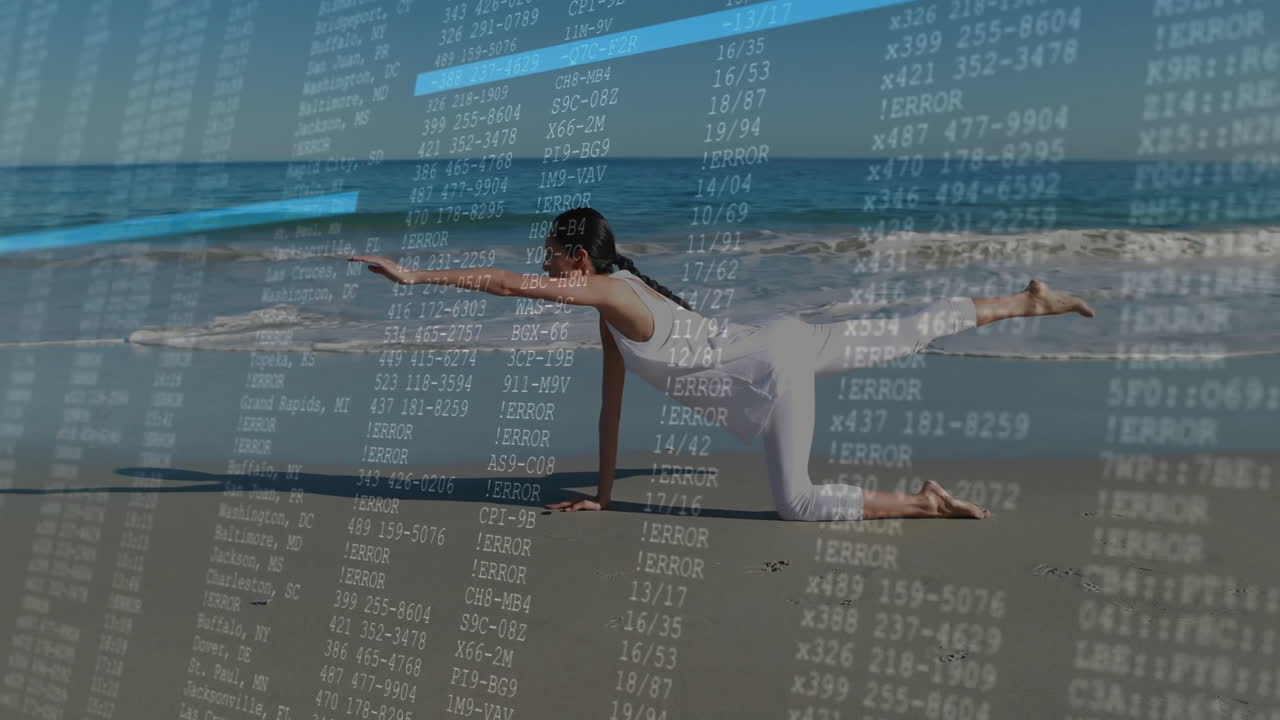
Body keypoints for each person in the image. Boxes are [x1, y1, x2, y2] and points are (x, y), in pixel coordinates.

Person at [348, 207, 1095, 521]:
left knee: (796, 504)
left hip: (773, 366)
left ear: (576, 259)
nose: (540, 265)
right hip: (776, 342)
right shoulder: (616, 304)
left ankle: (925, 504)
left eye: (550, 254)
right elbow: (610, 408)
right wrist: (603, 495)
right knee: (906, 333)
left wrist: (415, 278)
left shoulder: (608, 290)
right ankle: (1025, 301)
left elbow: (510, 286)